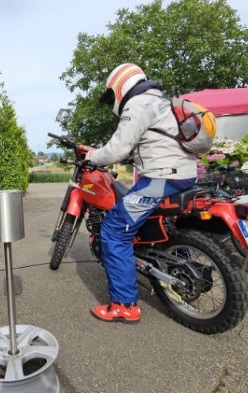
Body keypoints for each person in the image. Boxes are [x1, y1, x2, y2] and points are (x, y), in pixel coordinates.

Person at [85, 63, 198, 323]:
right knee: (169, 225)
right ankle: (177, 264)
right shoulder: (161, 101)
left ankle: (124, 304)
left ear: (121, 86)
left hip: (160, 178)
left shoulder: (138, 103)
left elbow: (116, 149)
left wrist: (92, 154)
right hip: (184, 175)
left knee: (113, 230)